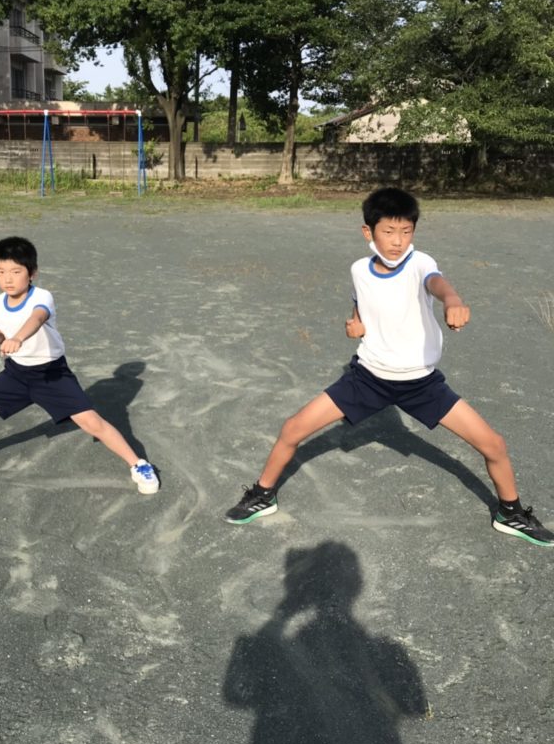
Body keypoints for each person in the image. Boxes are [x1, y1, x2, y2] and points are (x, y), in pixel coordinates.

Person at [224, 187, 553, 546]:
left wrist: (453, 300)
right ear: (368, 232)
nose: (398, 241)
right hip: (368, 378)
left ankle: (510, 513)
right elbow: (361, 305)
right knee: (293, 428)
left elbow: (438, 284)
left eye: (406, 231)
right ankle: (263, 494)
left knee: (494, 444)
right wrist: (355, 324)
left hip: (422, 384)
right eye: (389, 231)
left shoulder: (420, 263)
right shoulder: (358, 270)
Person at [0, 236, 159, 495]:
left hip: (52, 375)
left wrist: (18, 339)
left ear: (32, 273)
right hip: (16, 374)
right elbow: (7, 332)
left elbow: (37, 318)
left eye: (16, 271)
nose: (7, 279)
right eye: (0, 271)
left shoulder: (42, 297)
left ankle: (139, 465)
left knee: (93, 423)